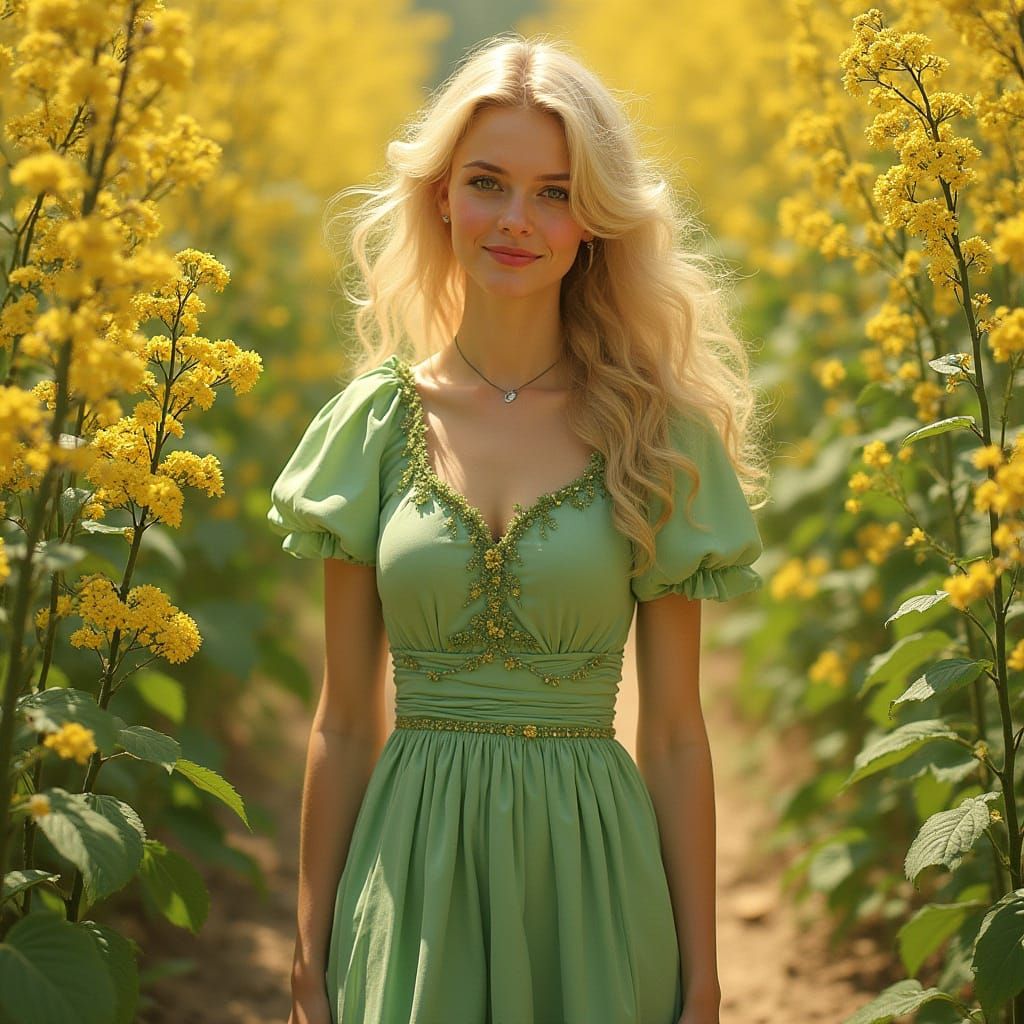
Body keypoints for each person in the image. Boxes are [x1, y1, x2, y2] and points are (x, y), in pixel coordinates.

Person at [269, 32, 768, 1024]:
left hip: (592, 869)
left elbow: (671, 734)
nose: (515, 220)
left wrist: (704, 979)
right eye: (489, 182)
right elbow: (343, 719)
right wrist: (308, 955)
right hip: (408, 869)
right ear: (440, 195)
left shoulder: (652, 435)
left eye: (554, 191)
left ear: (594, 220)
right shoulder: (371, 424)